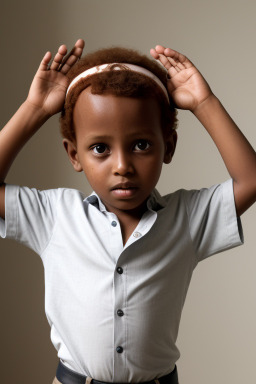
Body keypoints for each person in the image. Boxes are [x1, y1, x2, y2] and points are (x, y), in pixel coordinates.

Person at [0, 38, 255, 384]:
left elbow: (250, 180)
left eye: (141, 145)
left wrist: (204, 102)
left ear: (169, 146)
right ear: (75, 155)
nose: (122, 166)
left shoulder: (187, 218)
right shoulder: (54, 215)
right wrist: (36, 108)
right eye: (100, 148)